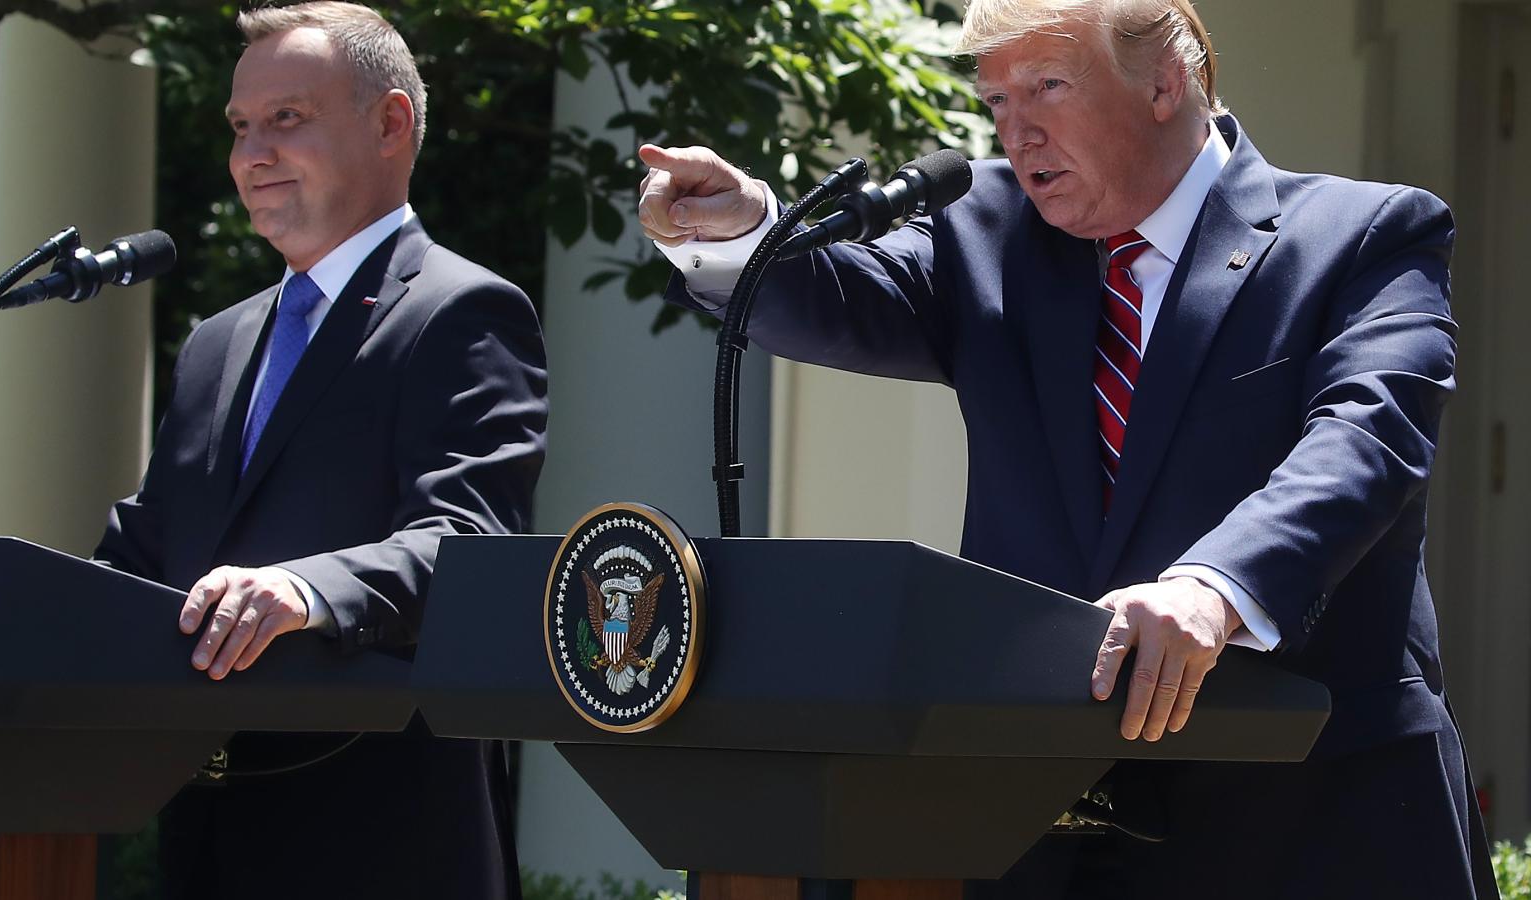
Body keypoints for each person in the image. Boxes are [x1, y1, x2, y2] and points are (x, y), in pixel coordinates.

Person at [635, 1, 1494, 897]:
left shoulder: (1365, 235)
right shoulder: (987, 228)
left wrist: (1218, 587)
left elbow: (1368, 436)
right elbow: (832, 297)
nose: (1017, 131)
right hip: (1039, 825)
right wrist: (733, 231)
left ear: (1167, 80)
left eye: (1047, 87)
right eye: (998, 101)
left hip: (1311, 813)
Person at [93, 3, 546, 898]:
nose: (248, 156)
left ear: (390, 124)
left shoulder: (460, 311)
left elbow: (468, 541)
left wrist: (305, 591)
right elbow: (148, 552)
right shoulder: (218, 343)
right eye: (239, 127)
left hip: (382, 838)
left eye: (285, 119)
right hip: (209, 834)